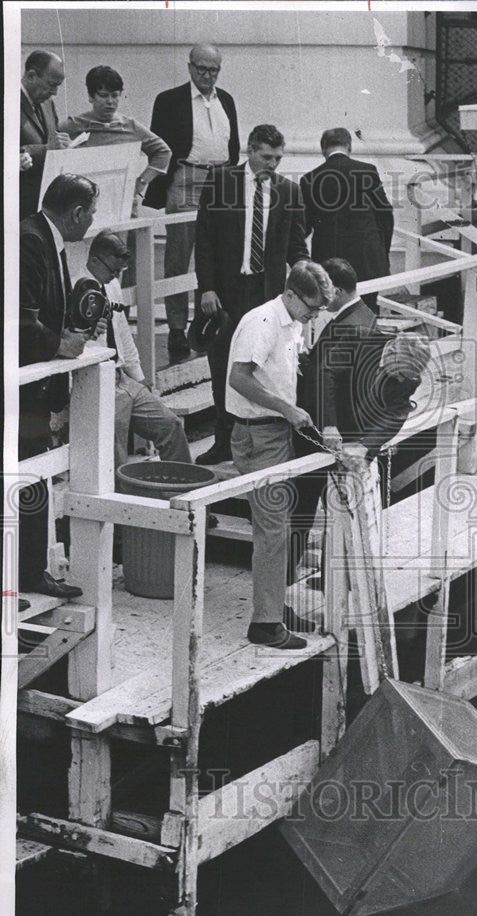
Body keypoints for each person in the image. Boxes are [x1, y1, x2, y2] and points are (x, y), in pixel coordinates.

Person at [291, 258, 429, 585]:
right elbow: (327, 376)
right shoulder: (361, 336)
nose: (396, 380)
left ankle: (339, 579)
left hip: (351, 438)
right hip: (324, 430)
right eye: (391, 373)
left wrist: (365, 447)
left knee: (342, 508)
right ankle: (301, 579)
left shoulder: (405, 374)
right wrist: (329, 425)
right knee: (305, 508)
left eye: (402, 379)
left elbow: (396, 411)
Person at [226, 260, 334, 649]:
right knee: (272, 530)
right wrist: (286, 409)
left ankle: (273, 607)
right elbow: (239, 378)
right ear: (291, 294)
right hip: (260, 435)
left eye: (320, 309)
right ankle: (265, 624)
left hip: (278, 433)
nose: (315, 314)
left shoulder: (294, 323)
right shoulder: (264, 322)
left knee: (282, 526)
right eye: (312, 306)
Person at [194, 124, 309, 465]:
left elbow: (296, 245)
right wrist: (207, 288)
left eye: (277, 158)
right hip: (227, 292)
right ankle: (222, 440)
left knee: (262, 367)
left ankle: (259, 438)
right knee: (221, 365)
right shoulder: (221, 182)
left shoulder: (289, 191)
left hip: (266, 294)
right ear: (250, 150)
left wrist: (306, 275)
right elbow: (205, 239)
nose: (271, 164)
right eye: (265, 156)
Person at [19, 173, 101, 598]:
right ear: (76, 212)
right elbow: (19, 323)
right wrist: (62, 344)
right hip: (22, 390)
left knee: (33, 475)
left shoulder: (44, 238)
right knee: (29, 476)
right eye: (91, 214)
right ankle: (28, 574)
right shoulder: (31, 240)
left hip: (34, 388)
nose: (91, 222)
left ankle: (30, 570)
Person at [144, 44, 240, 361]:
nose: (207, 75)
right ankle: (175, 328)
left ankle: (210, 324)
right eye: (201, 68)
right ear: (189, 67)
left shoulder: (226, 99)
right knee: (178, 256)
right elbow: (159, 147)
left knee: (219, 253)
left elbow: (234, 145)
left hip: (222, 179)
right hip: (188, 178)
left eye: (213, 69)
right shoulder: (169, 100)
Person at [79, 230, 192, 472]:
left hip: (123, 379)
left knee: (171, 426)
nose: (115, 276)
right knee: (115, 452)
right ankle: (121, 504)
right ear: (95, 261)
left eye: (119, 271)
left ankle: (183, 492)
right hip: (96, 381)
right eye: (112, 270)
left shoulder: (113, 286)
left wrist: (140, 378)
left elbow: (122, 335)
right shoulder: (76, 287)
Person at [300, 127, 394, 312]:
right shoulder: (367, 171)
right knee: (366, 311)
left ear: (323, 147)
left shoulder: (309, 179)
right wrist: (383, 253)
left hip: (329, 261)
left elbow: (304, 226)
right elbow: (385, 214)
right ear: (349, 146)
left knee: (332, 313)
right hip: (367, 259)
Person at [60, 65, 171, 217]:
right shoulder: (72, 125)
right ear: (91, 96)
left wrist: (140, 183)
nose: (110, 101)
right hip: (85, 207)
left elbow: (163, 152)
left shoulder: (130, 126)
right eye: (104, 95)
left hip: (122, 206)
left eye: (115, 95)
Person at [20, 50, 70, 219]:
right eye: (51, 85)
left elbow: (54, 141)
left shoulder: (48, 104)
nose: (55, 92)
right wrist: (47, 149)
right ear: (31, 76)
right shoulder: (9, 102)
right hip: (20, 207)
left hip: (45, 206)